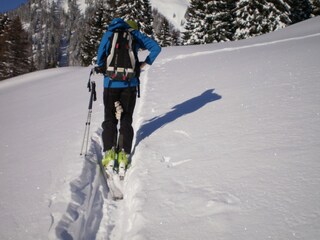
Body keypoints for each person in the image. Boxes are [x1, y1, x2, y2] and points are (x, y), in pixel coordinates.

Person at [96, 18, 161, 173]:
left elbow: (100, 59)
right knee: (126, 119)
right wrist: (144, 63)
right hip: (130, 85)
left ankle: (109, 153)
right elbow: (156, 48)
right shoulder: (135, 35)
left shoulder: (109, 33)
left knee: (110, 118)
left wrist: (104, 69)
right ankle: (124, 155)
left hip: (110, 84)